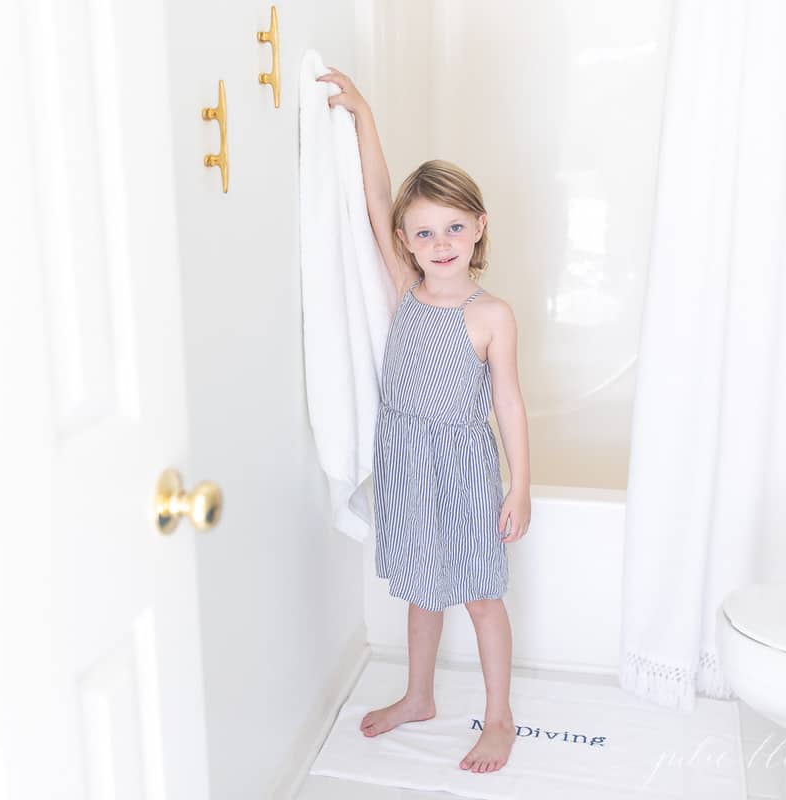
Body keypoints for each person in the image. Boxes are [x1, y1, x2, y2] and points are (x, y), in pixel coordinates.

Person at [316, 67, 532, 775]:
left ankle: (497, 715)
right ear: (406, 243)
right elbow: (378, 198)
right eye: (425, 232)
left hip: (464, 466)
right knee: (419, 586)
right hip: (407, 457)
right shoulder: (408, 289)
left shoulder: (490, 315)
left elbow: (507, 402)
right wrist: (364, 116)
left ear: (479, 228)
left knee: (478, 593)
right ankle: (418, 695)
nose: (441, 242)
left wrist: (520, 483)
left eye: (455, 227)